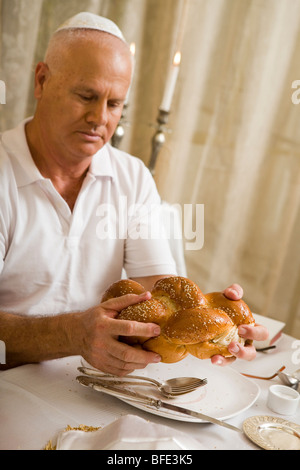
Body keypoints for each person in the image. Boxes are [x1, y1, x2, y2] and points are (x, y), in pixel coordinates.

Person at [0, 12, 267, 375]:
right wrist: (72, 335)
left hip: (97, 383)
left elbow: (159, 299)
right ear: (42, 80)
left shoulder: (132, 175)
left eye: (114, 104)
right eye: (86, 96)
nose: (99, 118)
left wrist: (216, 323)